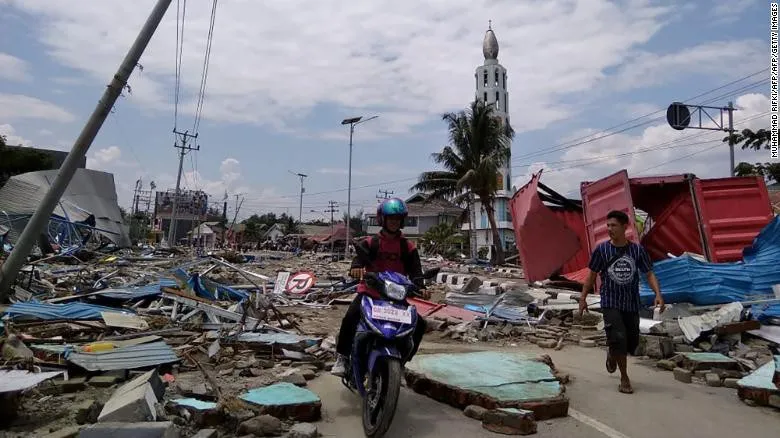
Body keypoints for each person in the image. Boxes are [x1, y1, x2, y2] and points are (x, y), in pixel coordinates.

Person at [331, 197, 428, 377]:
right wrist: (356, 269)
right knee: (351, 316)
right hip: (371, 293)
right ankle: (342, 357)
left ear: (402, 221)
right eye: (390, 218)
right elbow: (358, 260)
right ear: (382, 219)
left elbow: (416, 272)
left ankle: (403, 363)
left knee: (420, 324)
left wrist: (421, 286)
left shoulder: (408, 247)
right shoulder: (371, 243)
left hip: (396, 297)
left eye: (397, 219)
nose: (394, 222)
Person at [580, 210, 665, 394]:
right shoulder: (602, 250)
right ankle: (624, 378)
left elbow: (649, 273)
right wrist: (583, 298)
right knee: (618, 337)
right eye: (608, 225)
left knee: (632, 341)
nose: (610, 229)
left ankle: (613, 351)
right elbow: (591, 276)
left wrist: (658, 294)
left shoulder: (636, 250)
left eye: (614, 225)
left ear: (625, 227)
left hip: (631, 302)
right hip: (611, 301)